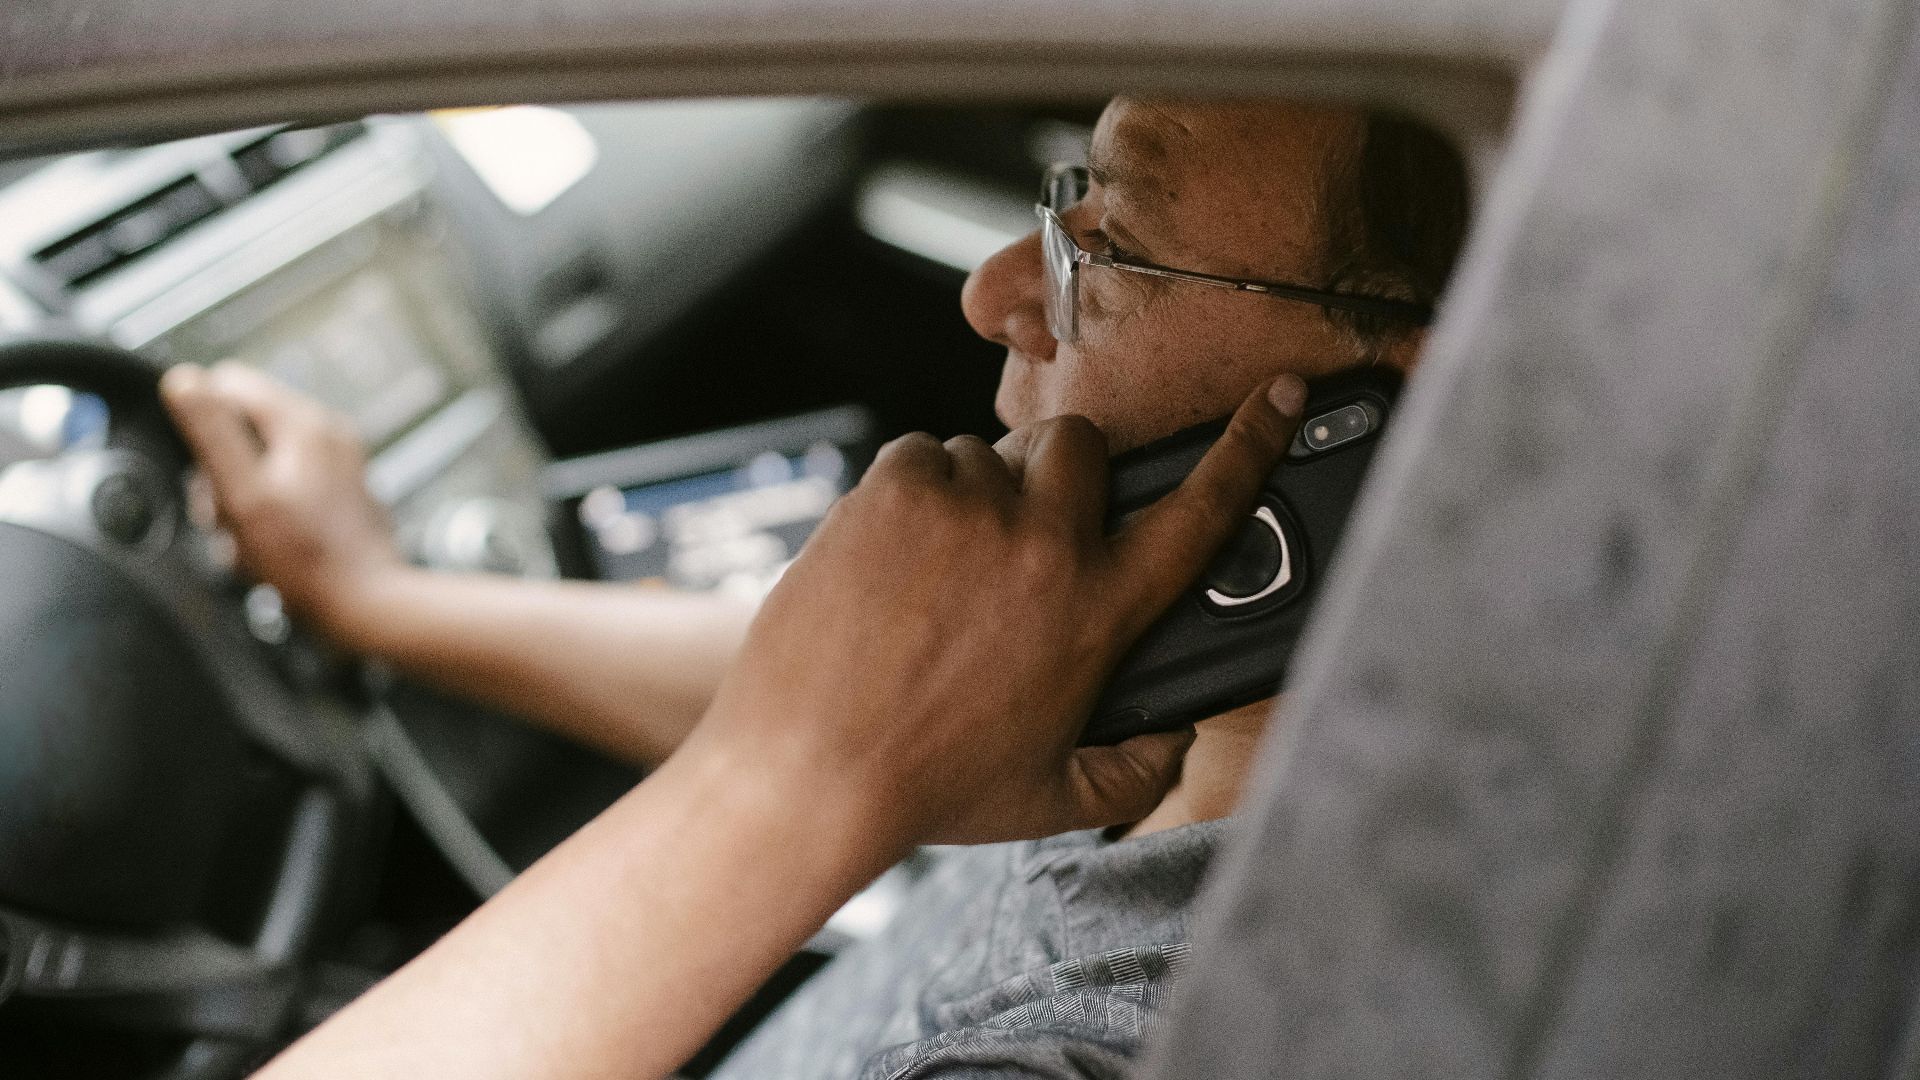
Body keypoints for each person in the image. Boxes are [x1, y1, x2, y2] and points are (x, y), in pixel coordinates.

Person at [160, 97, 1469, 1078]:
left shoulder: (1130, 1040)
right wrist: (385, 601)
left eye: (1115, 242)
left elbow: (831, 734)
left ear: (1419, 409)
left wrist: (785, 786)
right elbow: (859, 698)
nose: (996, 291)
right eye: (1063, 197)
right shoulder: (1205, 694)